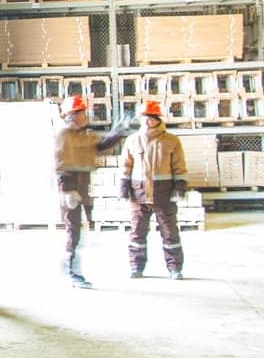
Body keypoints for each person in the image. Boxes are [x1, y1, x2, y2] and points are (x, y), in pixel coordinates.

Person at [54, 95, 132, 289]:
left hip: (83, 183)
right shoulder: (64, 135)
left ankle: (69, 266)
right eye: (80, 113)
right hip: (70, 184)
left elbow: (100, 146)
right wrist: (67, 190)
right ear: (71, 116)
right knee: (74, 230)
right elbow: (60, 163)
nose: (84, 116)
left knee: (81, 229)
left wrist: (119, 132)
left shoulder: (85, 135)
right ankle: (71, 270)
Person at [119, 100, 188, 279]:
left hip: (164, 194)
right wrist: (123, 187)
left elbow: (179, 166)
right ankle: (136, 267)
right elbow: (126, 165)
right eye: (143, 118)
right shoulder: (132, 140)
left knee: (170, 232)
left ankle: (175, 268)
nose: (146, 122)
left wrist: (180, 187)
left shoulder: (172, 141)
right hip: (139, 194)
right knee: (137, 232)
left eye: (150, 118)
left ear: (157, 119)